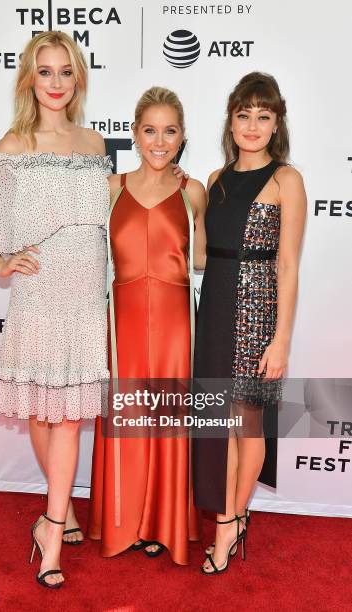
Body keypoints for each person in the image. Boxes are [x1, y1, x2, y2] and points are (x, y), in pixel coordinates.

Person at [0, 31, 112, 588]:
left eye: (65, 72)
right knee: (46, 412)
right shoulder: (16, 143)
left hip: (87, 291)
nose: (55, 82)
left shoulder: (95, 145)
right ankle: (58, 517)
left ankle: (52, 519)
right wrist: (0, 260)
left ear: (78, 79)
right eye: (44, 72)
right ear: (29, 79)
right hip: (41, 291)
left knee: (68, 412)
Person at [87, 86, 207, 565]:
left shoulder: (192, 190)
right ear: (134, 134)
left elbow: (208, 257)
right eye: (150, 130)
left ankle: (164, 522)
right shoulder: (110, 189)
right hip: (123, 321)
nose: (160, 141)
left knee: (170, 420)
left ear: (182, 137)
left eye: (170, 131)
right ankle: (122, 523)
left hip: (179, 323)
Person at [193, 72, 306, 575]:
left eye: (264, 115)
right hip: (215, 306)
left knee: (248, 422)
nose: (253, 125)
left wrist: (281, 340)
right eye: (244, 115)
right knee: (221, 424)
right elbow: (200, 258)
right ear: (231, 121)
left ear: (276, 122)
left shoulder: (287, 180)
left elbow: (287, 266)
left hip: (258, 312)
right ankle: (225, 517)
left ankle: (233, 519)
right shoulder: (215, 181)